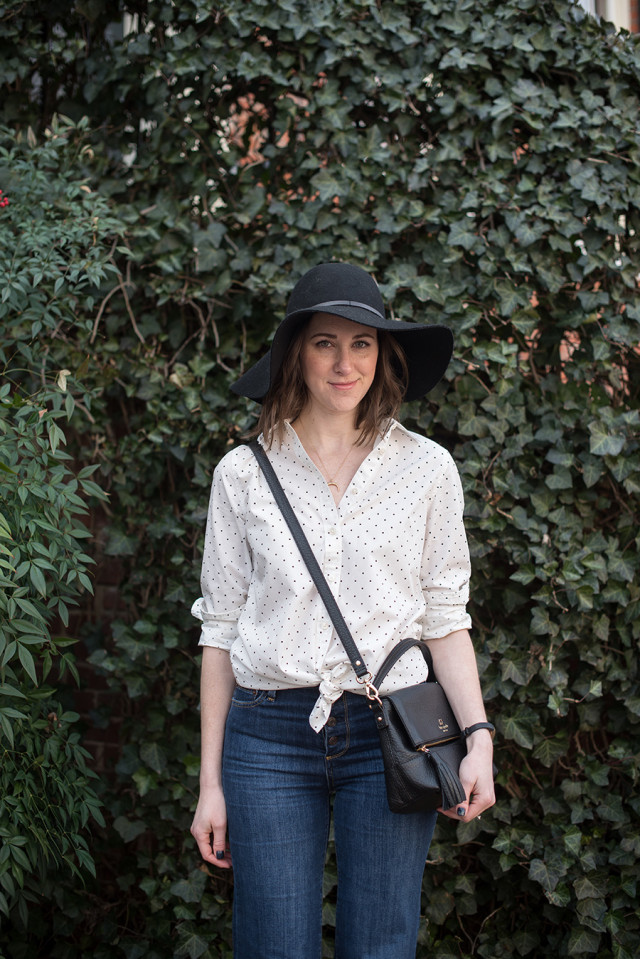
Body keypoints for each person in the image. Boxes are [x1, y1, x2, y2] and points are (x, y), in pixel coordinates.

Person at [190, 262, 495, 959]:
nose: (343, 361)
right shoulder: (242, 473)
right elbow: (221, 632)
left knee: (381, 945)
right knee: (272, 946)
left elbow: (445, 618)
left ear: (383, 353)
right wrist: (210, 784)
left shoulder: (426, 469)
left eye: (361, 343)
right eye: (325, 341)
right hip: (266, 735)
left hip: (390, 729)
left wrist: (477, 736)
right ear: (296, 352)